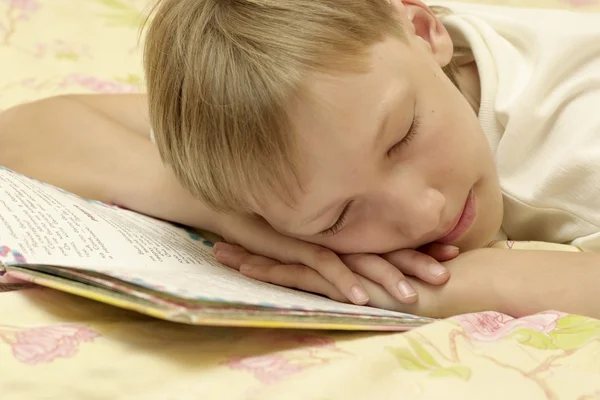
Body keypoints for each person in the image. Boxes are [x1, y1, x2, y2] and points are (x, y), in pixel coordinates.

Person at [1, 0, 600, 319]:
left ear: (423, 26)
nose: (423, 214)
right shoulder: (354, 88)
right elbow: (26, 130)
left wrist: (419, 291)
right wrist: (246, 225)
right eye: (335, 217)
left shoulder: (572, 145)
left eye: (401, 138)